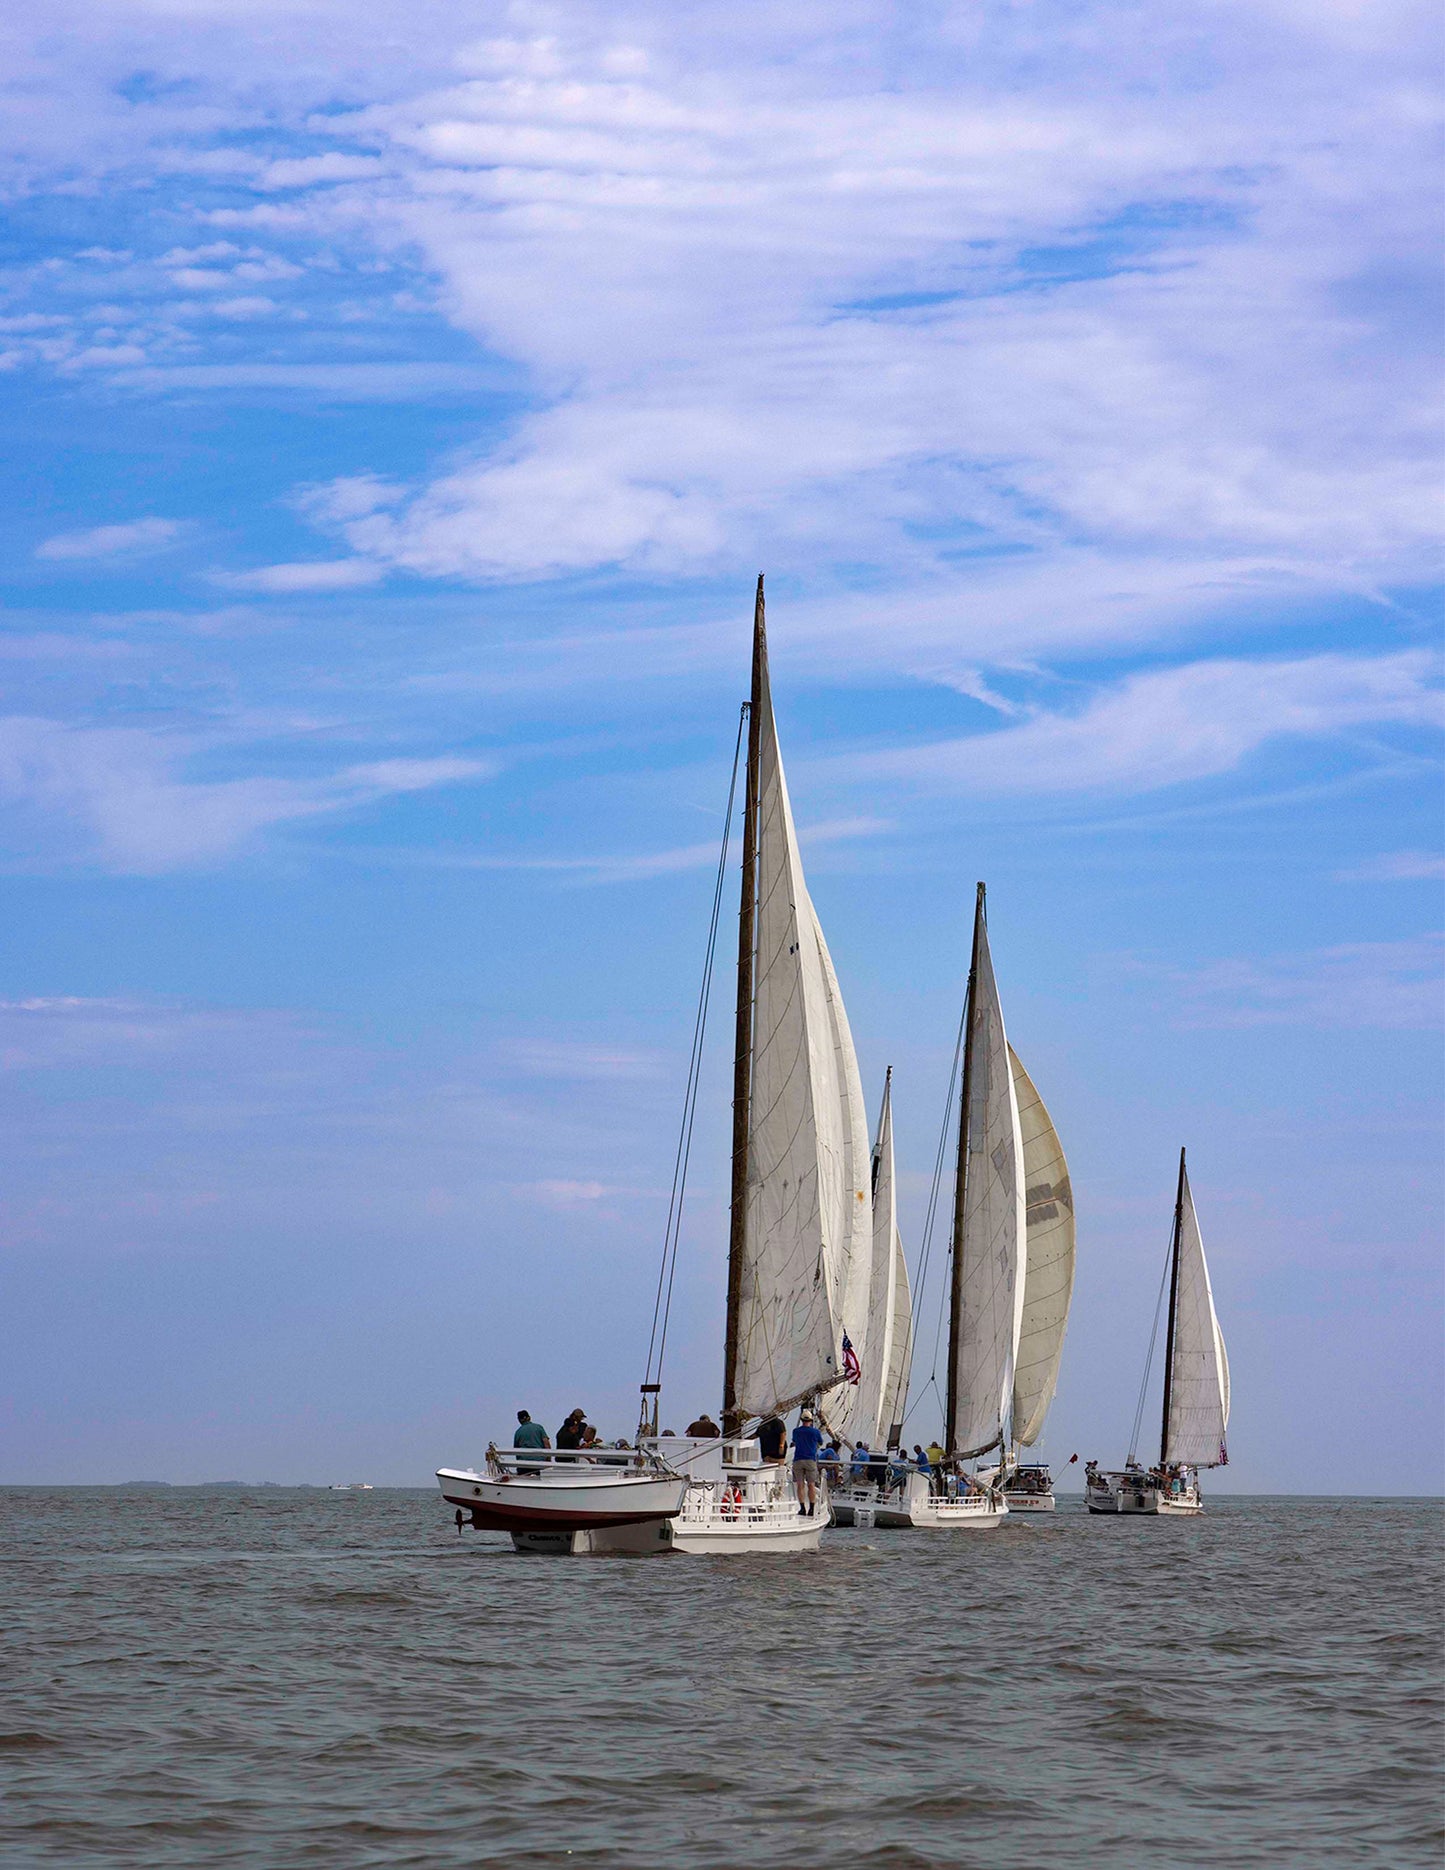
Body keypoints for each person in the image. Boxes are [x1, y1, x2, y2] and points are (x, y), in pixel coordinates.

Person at [790, 1409, 825, 1516]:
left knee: (800, 1485)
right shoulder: (815, 1432)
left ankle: (802, 1508)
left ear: (801, 1420)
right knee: (811, 1485)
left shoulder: (796, 1431)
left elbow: (794, 1441)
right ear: (811, 1420)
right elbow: (821, 1442)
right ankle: (811, 1508)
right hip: (810, 1460)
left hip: (798, 1459)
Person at [513, 1409, 549, 1474]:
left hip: (523, 1464)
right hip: (539, 1462)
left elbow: (516, 1451)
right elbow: (547, 1445)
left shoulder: (518, 1432)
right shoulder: (539, 1427)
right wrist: (548, 1459)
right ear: (529, 1417)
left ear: (519, 1420)